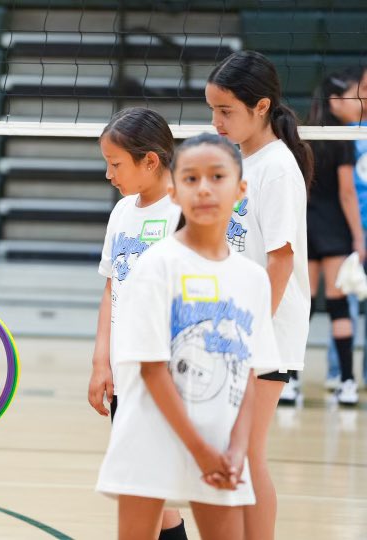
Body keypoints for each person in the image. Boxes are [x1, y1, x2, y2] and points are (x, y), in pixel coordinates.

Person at [97, 133, 280, 540]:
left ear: (241, 189)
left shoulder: (252, 279)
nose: (204, 188)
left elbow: (250, 374)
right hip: (153, 436)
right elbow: (152, 369)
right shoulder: (155, 266)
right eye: (191, 179)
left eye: (217, 176)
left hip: (220, 444)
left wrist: (235, 450)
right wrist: (200, 451)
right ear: (175, 192)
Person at [205, 50, 312, 540]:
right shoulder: (244, 161)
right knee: (233, 451)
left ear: (261, 106)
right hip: (236, 327)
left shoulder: (278, 168)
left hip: (264, 332)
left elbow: (282, 259)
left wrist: (252, 334)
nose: (216, 121)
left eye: (226, 110)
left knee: (246, 452)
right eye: (213, 110)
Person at [86, 107, 186, 539]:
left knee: (143, 489)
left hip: (163, 372)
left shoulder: (182, 213)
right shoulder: (123, 212)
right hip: (125, 370)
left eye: (115, 164)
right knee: (154, 498)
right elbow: (112, 288)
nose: (109, 175)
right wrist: (100, 362)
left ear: (150, 160)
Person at [305, 69, 365, 405]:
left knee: (306, 307)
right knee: (340, 305)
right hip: (334, 229)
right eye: (354, 95)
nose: (360, 102)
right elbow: (346, 193)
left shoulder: (302, 135)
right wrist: (358, 237)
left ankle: (291, 382)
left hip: (307, 227)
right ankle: (346, 383)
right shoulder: (342, 137)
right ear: (334, 101)